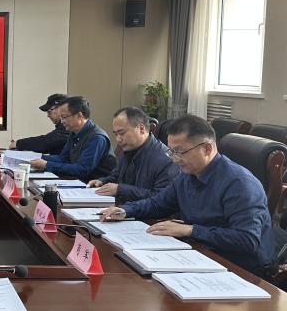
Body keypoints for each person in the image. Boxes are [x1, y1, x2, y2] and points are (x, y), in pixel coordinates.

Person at [100, 115, 275, 274]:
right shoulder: (188, 175)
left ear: (206, 149)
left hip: (242, 269)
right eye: (171, 151)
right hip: (200, 254)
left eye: (180, 152)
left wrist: (190, 230)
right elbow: (158, 203)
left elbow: (246, 239)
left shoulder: (240, 184)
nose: (174, 159)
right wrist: (126, 210)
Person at [86, 107, 178, 204]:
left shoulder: (166, 159)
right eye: (116, 134)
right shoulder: (129, 148)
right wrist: (102, 182)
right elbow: (117, 175)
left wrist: (121, 190)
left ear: (141, 129)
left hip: (143, 212)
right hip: (125, 207)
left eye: (121, 133)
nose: (118, 139)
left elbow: (160, 198)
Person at [29, 96, 116, 181]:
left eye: (64, 117)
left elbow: (82, 170)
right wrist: (37, 157)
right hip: (78, 181)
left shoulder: (97, 138)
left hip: (95, 185)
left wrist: (46, 164)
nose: (62, 121)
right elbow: (64, 158)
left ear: (79, 115)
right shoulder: (74, 132)